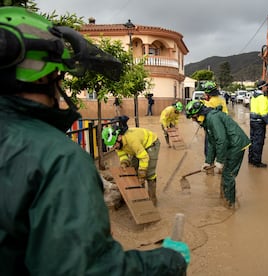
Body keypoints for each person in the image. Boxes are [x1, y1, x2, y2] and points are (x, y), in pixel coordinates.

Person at [0, 7, 189, 275]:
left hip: (151, 143)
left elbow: (144, 155)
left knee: (151, 171)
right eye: (58, 77)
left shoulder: (142, 133)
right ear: (45, 75)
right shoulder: (58, 157)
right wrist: (169, 262)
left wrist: (143, 171)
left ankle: (154, 196)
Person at [185, 100, 251, 209]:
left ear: (198, 114)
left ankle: (230, 204)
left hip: (236, 145)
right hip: (230, 145)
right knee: (225, 173)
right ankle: (224, 197)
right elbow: (212, 142)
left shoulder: (213, 118)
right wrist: (208, 161)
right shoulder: (207, 120)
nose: (192, 119)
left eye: (192, 117)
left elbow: (221, 140)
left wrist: (219, 160)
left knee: (228, 175)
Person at [102, 119, 161, 206]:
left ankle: (152, 200)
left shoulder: (132, 140)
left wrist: (142, 172)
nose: (114, 147)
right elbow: (122, 154)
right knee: (133, 170)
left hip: (150, 143)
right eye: (112, 146)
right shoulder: (118, 144)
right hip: (137, 148)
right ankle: (141, 196)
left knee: (149, 173)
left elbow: (144, 157)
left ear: (119, 137)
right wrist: (124, 163)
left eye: (114, 144)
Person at [248, 80, 268, 168]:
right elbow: (263, 113)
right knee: (258, 142)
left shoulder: (253, 97)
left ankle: (251, 159)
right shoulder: (263, 98)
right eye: (266, 87)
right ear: (262, 87)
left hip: (252, 121)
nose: (267, 88)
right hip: (259, 123)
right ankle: (257, 161)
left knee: (252, 140)